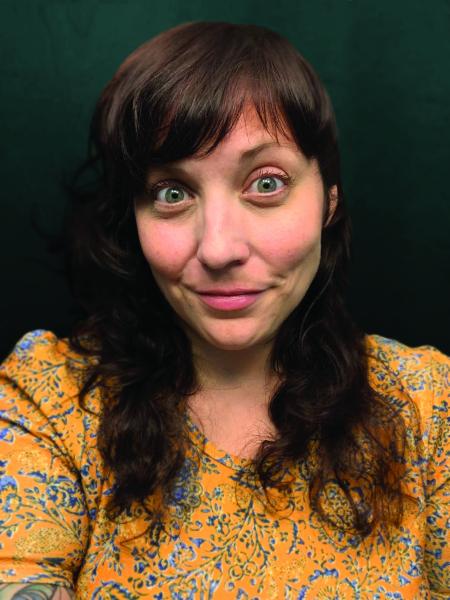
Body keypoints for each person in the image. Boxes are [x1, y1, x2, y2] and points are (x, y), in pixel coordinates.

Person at [0, 20, 448, 600]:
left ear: (329, 200)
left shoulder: (426, 408)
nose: (218, 249)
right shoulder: (50, 401)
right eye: (171, 193)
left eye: (266, 183)